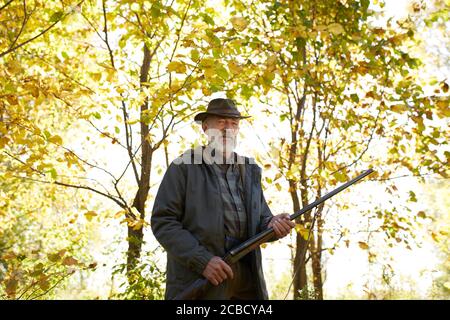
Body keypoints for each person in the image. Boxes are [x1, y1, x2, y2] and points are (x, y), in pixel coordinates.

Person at [151, 98, 295, 300]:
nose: (228, 128)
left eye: (234, 123)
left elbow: (261, 220)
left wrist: (273, 225)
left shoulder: (250, 171)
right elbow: (163, 222)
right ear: (205, 127)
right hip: (200, 280)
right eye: (221, 122)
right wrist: (203, 261)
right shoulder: (183, 167)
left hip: (247, 282)